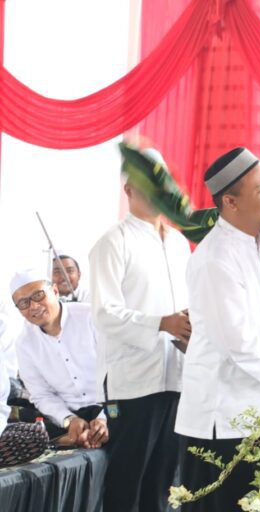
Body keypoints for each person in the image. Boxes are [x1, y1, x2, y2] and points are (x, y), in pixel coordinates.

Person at [174, 147, 260, 510]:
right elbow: (237, 342)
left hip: (255, 415)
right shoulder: (216, 258)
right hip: (223, 422)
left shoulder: (252, 245)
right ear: (230, 201)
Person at [89, 149, 191, 512]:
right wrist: (162, 323)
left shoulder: (178, 244)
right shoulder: (112, 242)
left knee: (163, 483)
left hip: (176, 378)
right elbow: (105, 313)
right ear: (129, 189)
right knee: (126, 482)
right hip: (132, 383)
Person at [10, 269, 108, 448]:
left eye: (38, 295)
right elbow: (41, 395)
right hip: (70, 416)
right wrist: (68, 420)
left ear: (54, 291)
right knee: (25, 437)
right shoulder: (24, 344)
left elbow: (119, 371)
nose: (33, 306)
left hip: (112, 408)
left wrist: (104, 418)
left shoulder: (90, 317)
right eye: (24, 303)